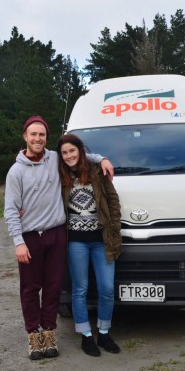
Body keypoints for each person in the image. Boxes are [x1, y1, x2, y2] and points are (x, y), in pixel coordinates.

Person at [4, 116, 113, 360]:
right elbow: (10, 209)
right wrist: (18, 241)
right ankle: (34, 336)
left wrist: (102, 158)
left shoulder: (54, 159)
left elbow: (79, 155)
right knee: (31, 289)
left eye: (42, 135)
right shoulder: (16, 171)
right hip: (30, 237)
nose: (38, 139)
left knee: (53, 287)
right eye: (33, 134)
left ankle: (50, 333)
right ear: (25, 137)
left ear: (46, 138)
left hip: (56, 234)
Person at [57, 133, 122, 357]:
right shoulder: (59, 175)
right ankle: (85, 336)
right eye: (64, 152)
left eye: (72, 151)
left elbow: (112, 200)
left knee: (106, 288)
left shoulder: (97, 171)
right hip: (76, 242)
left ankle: (103, 333)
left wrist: (115, 229)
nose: (68, 156)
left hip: (101, 240)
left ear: (80, 151)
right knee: (80, 289)